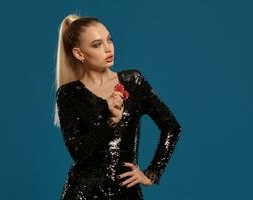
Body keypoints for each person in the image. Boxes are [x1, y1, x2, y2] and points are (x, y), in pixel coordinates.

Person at [53, 14, 182, 200]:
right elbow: (78, 153)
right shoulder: (69, 94)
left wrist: (153, 172)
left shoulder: (133, 82)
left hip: (126, 193)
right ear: (79, 53)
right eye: (97, 45)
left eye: (109, 40)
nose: (108, 48)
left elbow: (171, 126)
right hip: (83, 193)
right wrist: (111, 121)